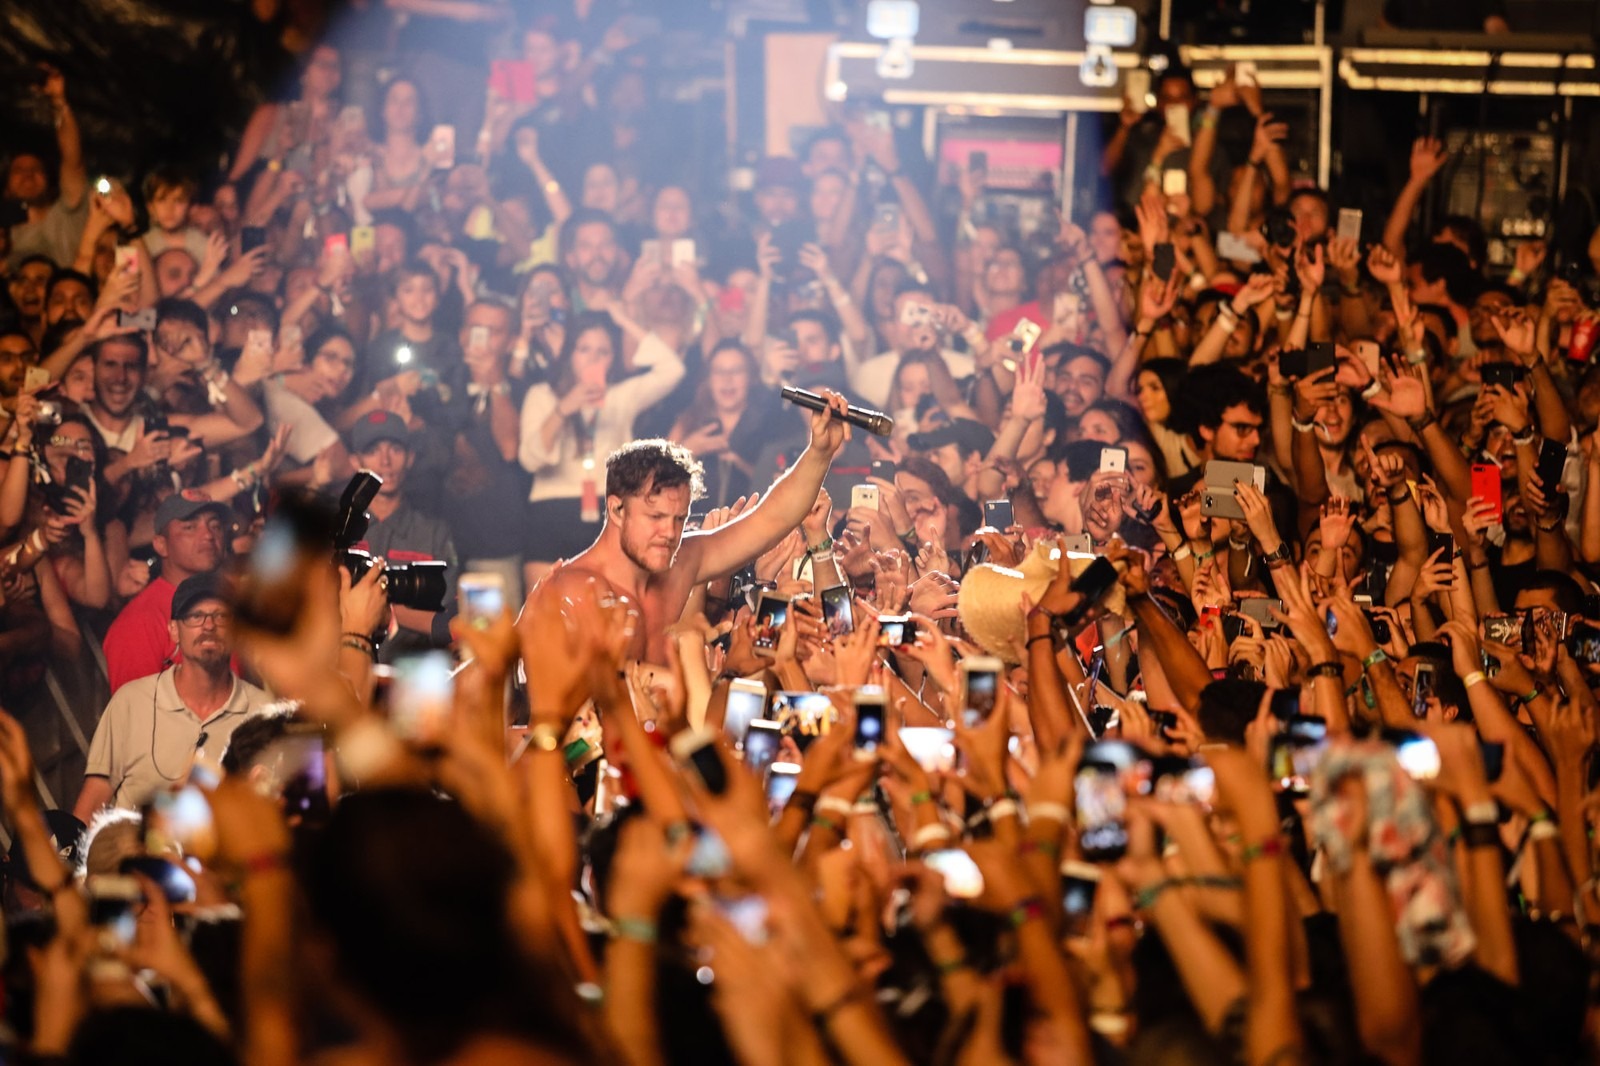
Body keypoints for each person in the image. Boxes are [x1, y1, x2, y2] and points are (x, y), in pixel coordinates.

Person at [529, 389, 849, 664]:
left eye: (679, 519)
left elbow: (771, 519)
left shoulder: (683, 560)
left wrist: (819, 452)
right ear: (616, 509)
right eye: (655, 518)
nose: (669, 533)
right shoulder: (570, 591)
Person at [76, 572, 269, 818]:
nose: (208, 626)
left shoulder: (263, 714)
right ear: (174, 631)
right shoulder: (131, 703)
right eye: (195, 616)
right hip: (140, 853)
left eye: (220, 616)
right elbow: (92, 801)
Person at [344, 410, 458, 653]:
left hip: (413, 677)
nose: (385, 462)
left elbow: (449, 622)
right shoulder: (336, 532)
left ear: (410, 458)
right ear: (355, 461)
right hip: (342, 675)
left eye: (395, 449)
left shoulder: (434, 533)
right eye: (373, 451)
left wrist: (383, 608)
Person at [101, 491, 227, 692]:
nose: (209, 535)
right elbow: (137, 716)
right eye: (190, 527)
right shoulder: (140, 623)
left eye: (215, 525)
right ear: (161, 545)